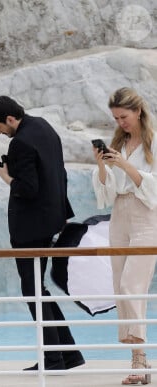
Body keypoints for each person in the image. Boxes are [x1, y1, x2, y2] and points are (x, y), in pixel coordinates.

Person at [0, 96, 85, 371]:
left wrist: (7, 177)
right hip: (51, 220)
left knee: (32, 291)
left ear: (10, 119)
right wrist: (62, 213)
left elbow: (28, 187)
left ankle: (54, 359)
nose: (0, 133)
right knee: (37, 289)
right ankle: (67, 354)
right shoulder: (44, 127)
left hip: (30, 229)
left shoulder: (21, 142)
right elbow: (58, 173)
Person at [92, 87, 157, 385]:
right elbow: (106, 192)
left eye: (124, 116)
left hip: (146, 215)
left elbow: (153, 188)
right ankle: (137, 359)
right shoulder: (119, 142)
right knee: (120, 285)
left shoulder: (153, 141)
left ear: (138, 111)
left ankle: (141, 360)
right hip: (119, 215)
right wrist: (102, 165)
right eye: (116, 118)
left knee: (133, 285)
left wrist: (126, 164)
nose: (121, 123)